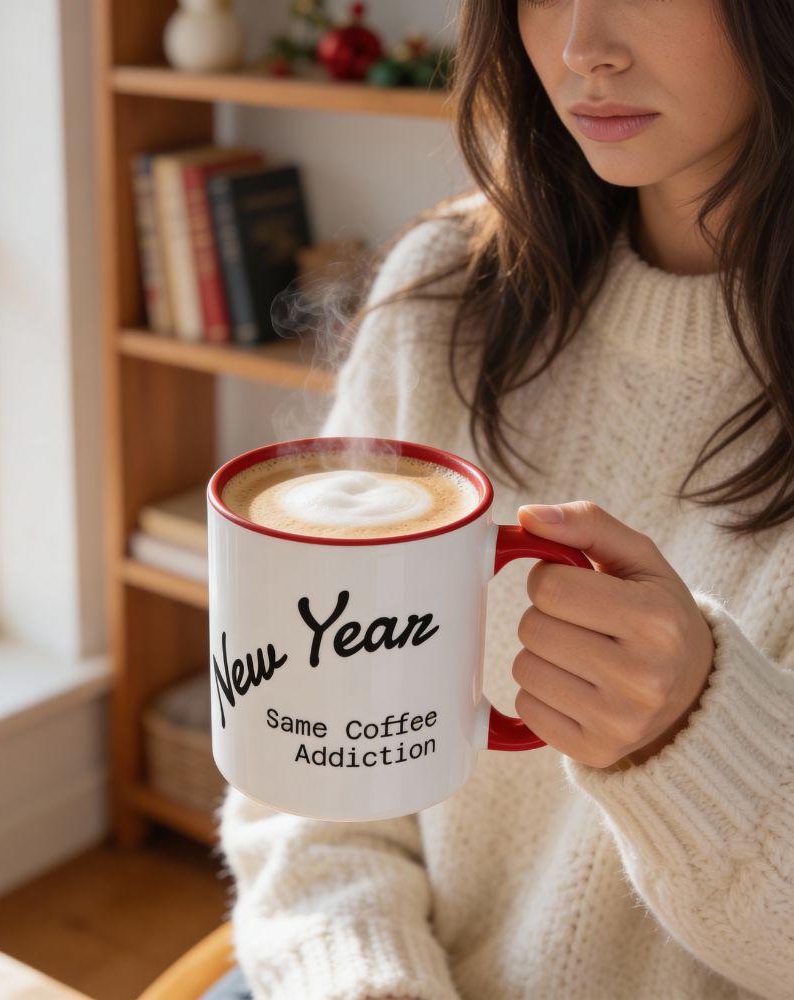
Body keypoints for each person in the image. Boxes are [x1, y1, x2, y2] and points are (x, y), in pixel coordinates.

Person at [212, 1, 794, 997]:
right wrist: (367, 983)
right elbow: (304, 774)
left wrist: (695, 738)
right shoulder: (446, 297)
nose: (581, 48)